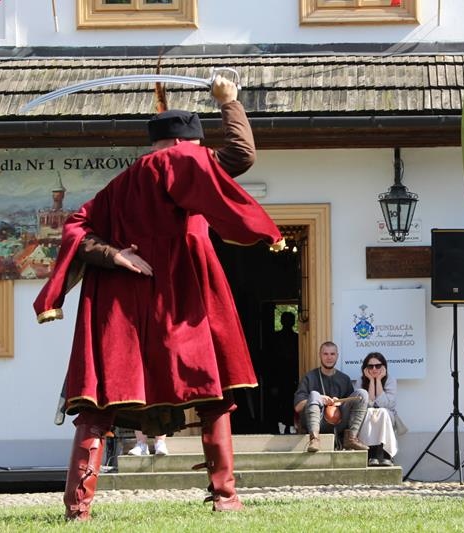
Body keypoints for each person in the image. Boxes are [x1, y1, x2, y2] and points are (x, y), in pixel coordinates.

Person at [33, 76, 285, 520]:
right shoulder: (183, 160)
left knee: (98, 405)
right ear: (185, 143)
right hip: (182, 295)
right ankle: (225, 498)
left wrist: (114, 255)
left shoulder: (119, 185)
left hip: (123, 306)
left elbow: (76, 227)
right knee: (211, 393)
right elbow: (241, 155)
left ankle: (78, 510)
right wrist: (230, 102)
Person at [293, 341, 369, 453]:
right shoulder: (309, 377)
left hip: (338, 422)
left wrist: (341, 403)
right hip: (317, 422)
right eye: (325, 354)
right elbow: (298, 407)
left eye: (332, 354)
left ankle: (351, 438)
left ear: (337, 356)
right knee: (314, 394)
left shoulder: (344, 379)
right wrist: (319, 399)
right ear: (320, 355)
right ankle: (314, 439)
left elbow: (352, 408)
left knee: (362, 394)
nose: (329, 357)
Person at [355, 352, 399, 467]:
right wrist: (371, 381)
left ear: (383, 367)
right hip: (368, 415)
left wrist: (378, 380)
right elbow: (367, 405)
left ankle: (386, 455)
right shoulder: (360, 381)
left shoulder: (390, 380)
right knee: (370, 412)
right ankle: (372, 455)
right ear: (365, 368)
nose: (374, 369)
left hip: (387, 415)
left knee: (382, 412)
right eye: (370, 366)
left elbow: (386, 405)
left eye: (378, 366)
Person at [270, 311, 300, 434]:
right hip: (278, 375)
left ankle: (290, 426)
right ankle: (275, 427)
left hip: (293, 375)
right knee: (277, 403)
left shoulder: (297, 338)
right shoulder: (274, 338)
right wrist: (273, 382)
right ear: (282, 321)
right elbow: (270, 359)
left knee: (291, 402)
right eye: (286, 320)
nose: (288, 322)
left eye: (290, 320)